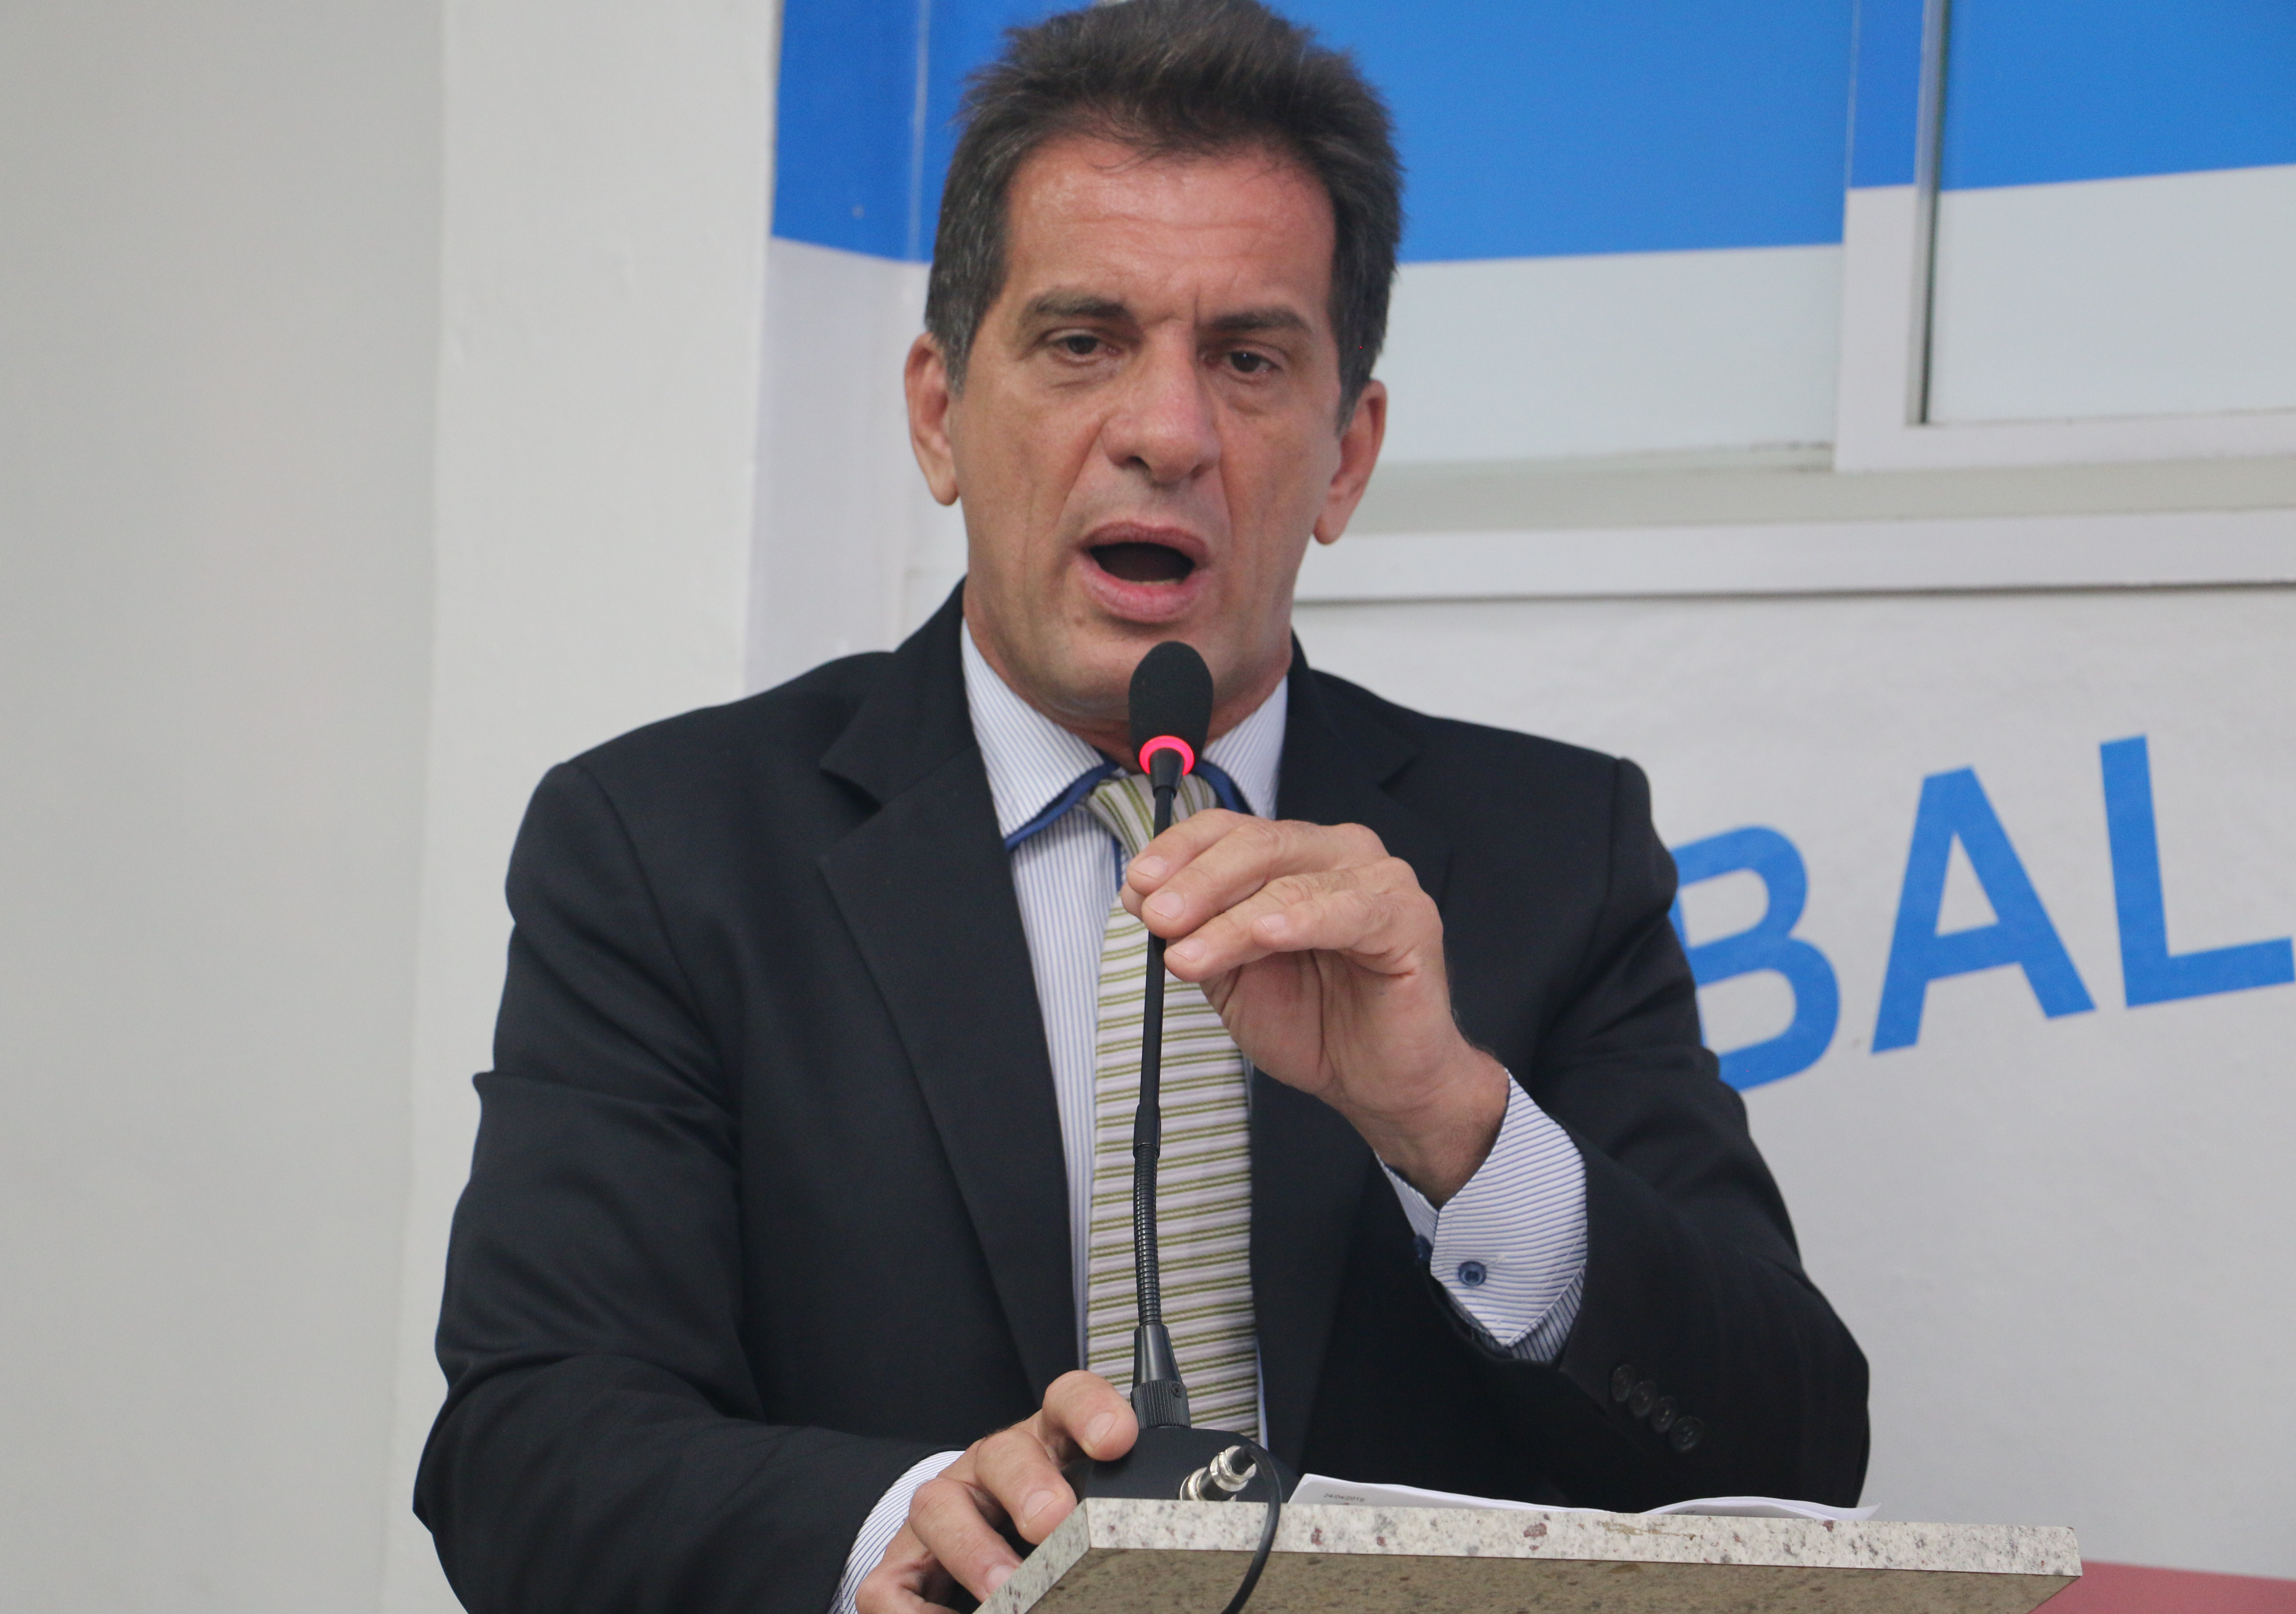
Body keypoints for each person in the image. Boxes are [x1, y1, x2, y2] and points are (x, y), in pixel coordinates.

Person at [414, 4, 1868, 1610]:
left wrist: (1454, 1127)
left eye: (1248, 360)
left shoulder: (1551, 853)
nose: (1166, 433)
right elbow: (526, 1453)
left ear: (1347, 456)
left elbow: (1793, 1463)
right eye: (1082, 341)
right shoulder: (667, 846)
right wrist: (895, 1527)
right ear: (937, 413)